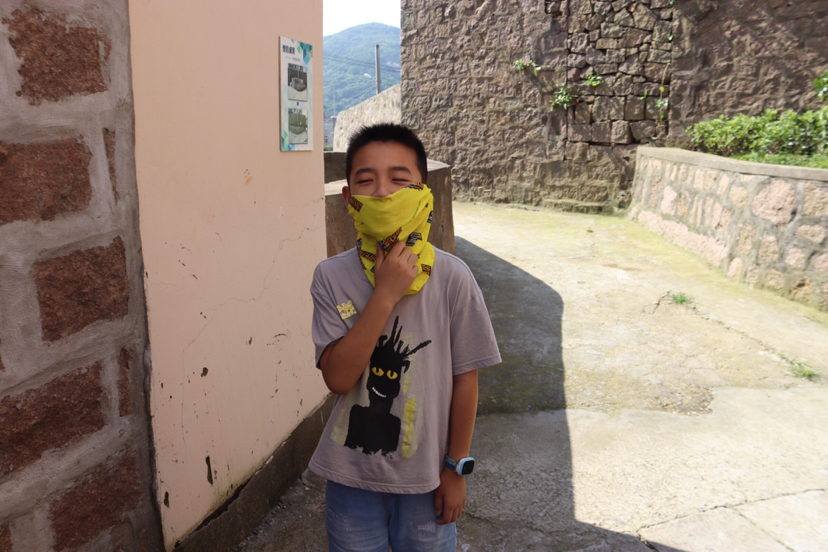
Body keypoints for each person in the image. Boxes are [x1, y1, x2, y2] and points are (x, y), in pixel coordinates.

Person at [309, 123, 501, 551]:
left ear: (423, 192)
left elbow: (465, 381)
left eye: (399, 180)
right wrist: (385, 294)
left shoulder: (453, 278)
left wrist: (456, 469)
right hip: (350, 480)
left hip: (427, 481)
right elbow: (338, 379)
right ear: (349, 198)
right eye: (366, 181)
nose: (382, 192)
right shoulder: (330, 277)